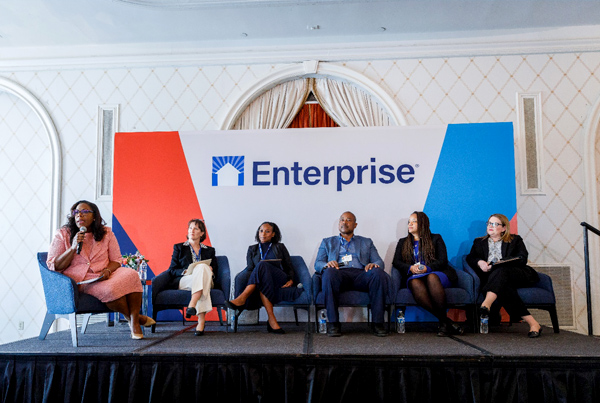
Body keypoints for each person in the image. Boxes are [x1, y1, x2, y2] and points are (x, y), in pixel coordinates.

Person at [47, 200, 151, 340]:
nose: (80, 215)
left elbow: (116, 260)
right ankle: (135, 321)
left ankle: (134, 319)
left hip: (106, 273)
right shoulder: (63, 234)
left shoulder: (106, 233)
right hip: (82, 280)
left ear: (94, 216)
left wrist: (107, 271)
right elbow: (53, 265)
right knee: (110, 291)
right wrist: (73, 248)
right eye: (76, 212)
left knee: (132, 274)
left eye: (84, 212)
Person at [466, 213, 542, 338]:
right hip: (496, 279)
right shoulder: (479, 242)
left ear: (504, 228)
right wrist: (480, 263)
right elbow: (471, 257)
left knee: (501, 271)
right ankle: (533, 323)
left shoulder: (515, 240)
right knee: (504, 287)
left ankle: (486, 304)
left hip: (517, 274)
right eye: (489, 223)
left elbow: (522, 258)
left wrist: (498, 263)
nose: (491, 226)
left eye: (495, 224)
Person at [314, 211, 389, 337]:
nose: (344, 222)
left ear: (355, 225)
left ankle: (378, 323)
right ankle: (333, 323)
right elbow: (318, 263)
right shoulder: (327, 242)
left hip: (361, 274)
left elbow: (379, 261)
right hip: (339, 274)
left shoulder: (366, 242)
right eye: (342, 220)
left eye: (348, 220)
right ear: (339, 224)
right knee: (328, 272)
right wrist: (327, 265)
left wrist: (373, 265)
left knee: (377, 273)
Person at [392, 211, 463, 336]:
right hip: (415, 276)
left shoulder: (436, 238)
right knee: (414, 282)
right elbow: (396, 262)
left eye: (414, 221)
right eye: (409, 222)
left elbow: (443, 260)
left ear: (423, 224)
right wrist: (410, 268)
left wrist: (427, 268)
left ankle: (444, 323)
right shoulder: (403, 242)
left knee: (431, 277)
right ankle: (445, 322)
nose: (410, 224)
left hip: (437, 273)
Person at [226, 222, 300, 334]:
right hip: (264, 280)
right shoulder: (252, 249)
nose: (263, 234)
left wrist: (291, 279)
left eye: (267, 231)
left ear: (273, 234)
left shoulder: (280, 247)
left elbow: (288, 266)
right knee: (262, 275)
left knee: (262, 265)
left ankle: (242, 297)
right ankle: (272, 320)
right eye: (261, 231)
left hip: (279, 277)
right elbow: (250, 269)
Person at [165, 219, 217, 336]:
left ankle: (192, 304)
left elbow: (216, 270)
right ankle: (201, 321)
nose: (192, 231)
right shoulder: (179, 248)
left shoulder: (210, 250)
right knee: (202, 274)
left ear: (202, 233)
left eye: (196, 228)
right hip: (185, 280)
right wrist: (186, 271)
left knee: (203, 268)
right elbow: (172, 270)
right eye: (190, 228)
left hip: (206, 279)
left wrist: (210, 269)